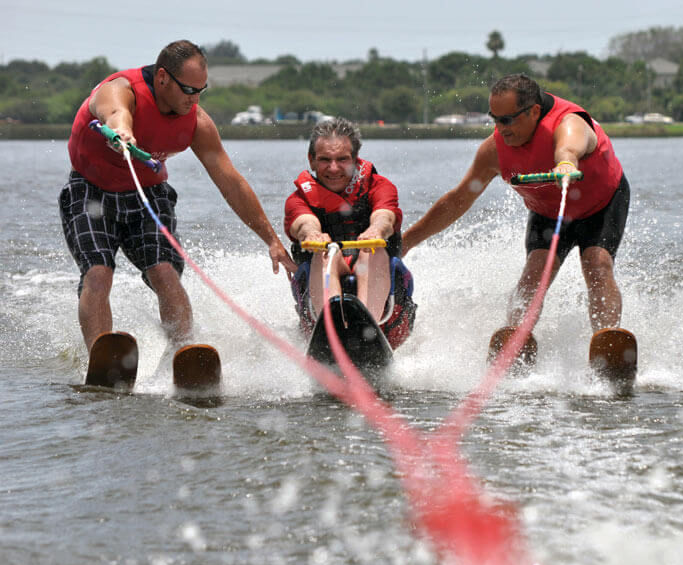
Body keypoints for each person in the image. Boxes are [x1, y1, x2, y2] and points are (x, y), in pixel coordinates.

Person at [59, 40, 296, 353]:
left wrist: (271, 239)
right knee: (99, 273)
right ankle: (100, 358)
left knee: (166, 274)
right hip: (90, 192)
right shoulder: (120, 88)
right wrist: (122, 131)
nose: (195, 99)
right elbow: (115, 112)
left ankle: (185, 355)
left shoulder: (197, 122)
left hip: (148, 194)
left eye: (201, 90)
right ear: (162, 78)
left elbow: (231, 182)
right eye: (188, 90)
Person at [402, 73, 630, 360]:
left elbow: (569, 148)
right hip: (549, 211)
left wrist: (564, 165)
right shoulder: (494, 151)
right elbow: (458, 200)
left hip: (602, 205)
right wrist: (407, 240)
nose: (500, 128)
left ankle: (607, 341)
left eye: (507, 120)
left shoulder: (570, 123)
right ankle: (515, 336)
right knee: (535, 273)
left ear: (534, 111)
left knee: (596, 264)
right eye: (494, 119)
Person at [284, 117, 416, 349]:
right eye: (325, 160)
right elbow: (303, 223)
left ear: (355, 160)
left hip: (374, 267)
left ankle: (368, 332)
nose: (333, 168)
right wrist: (312, 234)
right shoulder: (299, 199)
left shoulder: (380, 186)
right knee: (326, 255)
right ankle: (331, 332)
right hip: (328, 266)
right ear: (312, 161)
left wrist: (376, 230)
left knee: (370, 251)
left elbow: (385, 216)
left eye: (342, 159)